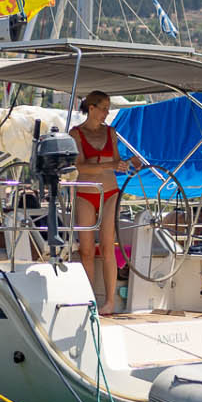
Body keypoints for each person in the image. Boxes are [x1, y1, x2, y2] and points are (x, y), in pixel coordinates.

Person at [70, 90, 146, 315]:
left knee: (107, 247)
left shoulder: (111, 132)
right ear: (91, 108)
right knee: (86, 250)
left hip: (110, 192)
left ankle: (110, 301)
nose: (107, 112)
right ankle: (88, 298)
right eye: (104, 108)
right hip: (86, 192)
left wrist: (128, 162)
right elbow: (81, 167)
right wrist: (108, 166)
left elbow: (115, 161)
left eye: (108, 108)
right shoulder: (76, 134)